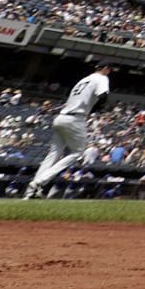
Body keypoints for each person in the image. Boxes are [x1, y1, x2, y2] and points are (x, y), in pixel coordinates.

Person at [25, 63, 113, 199]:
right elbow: (103, 96)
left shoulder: (83, 79)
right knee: (77, 153)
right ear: (105, 68)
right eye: (110, 69)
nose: (110, 72)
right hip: (75, 119)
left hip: (61, 117)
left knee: (53, 154)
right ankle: (40, 181)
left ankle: (31, 192)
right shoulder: (102, 78)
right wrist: (100, 109)